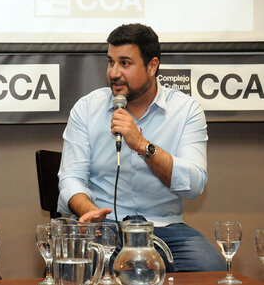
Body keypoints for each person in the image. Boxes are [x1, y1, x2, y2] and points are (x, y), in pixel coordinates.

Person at [57, 23, 225, 272]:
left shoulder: (186, 110)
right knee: (73, 268)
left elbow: (194, 184)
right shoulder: (86, 109)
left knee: (211, 268)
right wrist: (90, 211)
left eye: (125, 63)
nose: (114, 73)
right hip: (105, 227)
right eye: (110, 62)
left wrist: (143, 146)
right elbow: (71, 178)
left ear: (152, 66)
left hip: (165, 229)